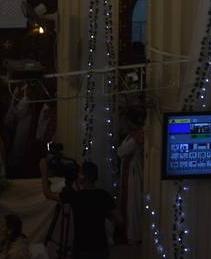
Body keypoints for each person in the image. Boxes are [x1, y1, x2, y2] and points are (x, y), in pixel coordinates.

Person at [39, 157, 119, 259]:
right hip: (101, 250)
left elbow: (47, 194)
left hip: (81, 251)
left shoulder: (75, 196)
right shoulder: (104, 195)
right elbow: (119, 219)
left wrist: (43, 171)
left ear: (82, 177)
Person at [117, 110, 146, 243]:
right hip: (128, 170)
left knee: (133, 205)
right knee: (129, 204)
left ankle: (133, 235)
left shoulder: (138, 135)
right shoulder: (130, 135)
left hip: (133, 173)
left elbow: (121, 151)